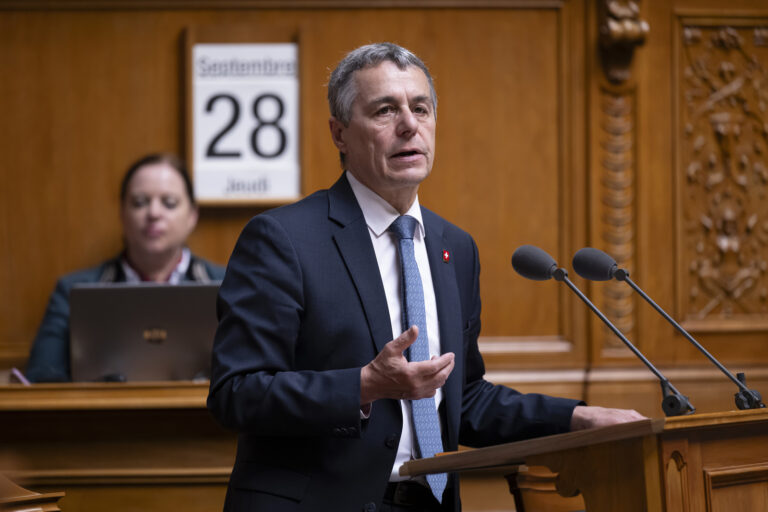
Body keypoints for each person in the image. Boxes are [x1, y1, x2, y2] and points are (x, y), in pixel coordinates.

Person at [207, 43, 644, 512]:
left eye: (421, 108)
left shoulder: (452, 245)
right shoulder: (284, 240)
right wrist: (363, 385)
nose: (409, 124)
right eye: (384, 110)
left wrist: (578, 417)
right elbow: (237, 392)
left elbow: (464, 398)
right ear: (339, 133)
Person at [26, 153, 225, 383]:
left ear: (192, 215)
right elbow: (42, 377)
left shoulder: (228, 286)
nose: (153, 213)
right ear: (122, 213)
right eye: (140, 202)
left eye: (169, 203)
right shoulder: (73, 290)